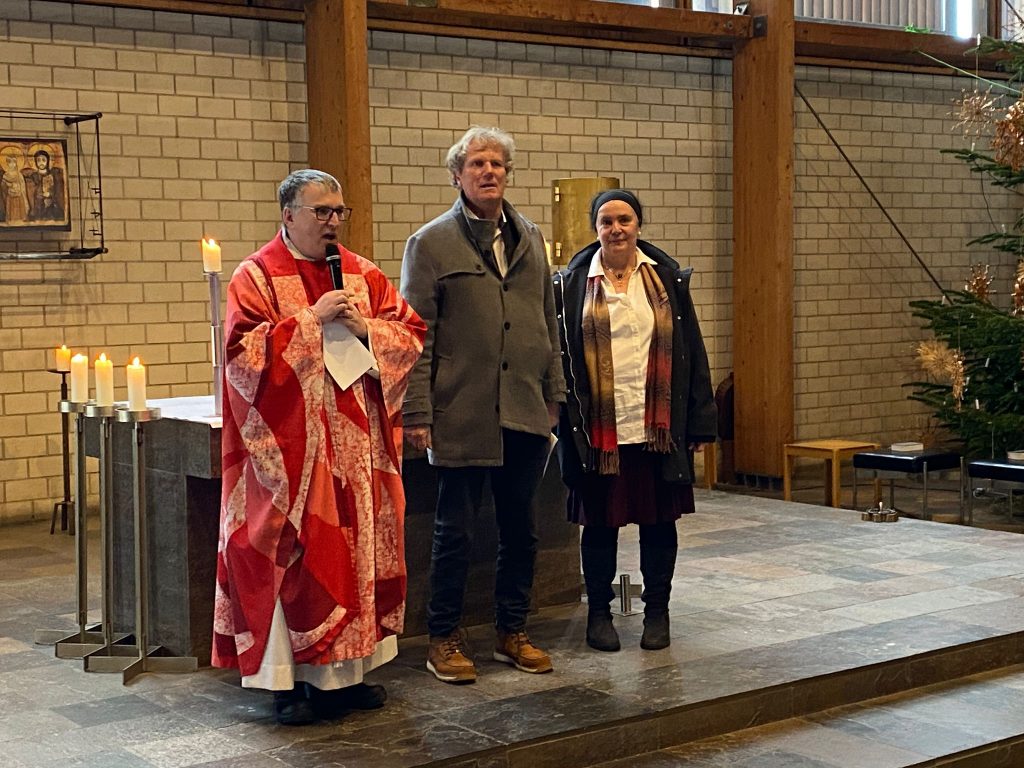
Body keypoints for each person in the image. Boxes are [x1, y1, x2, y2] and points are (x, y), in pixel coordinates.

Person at [212, 169, 426, 725]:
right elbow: (240, 356)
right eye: (320, 212)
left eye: (338, 212)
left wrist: (366, 330)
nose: (333, 222)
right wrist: (311, 321)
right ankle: (288, 684)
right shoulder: (256, 275)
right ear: (288, 215)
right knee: (290, 555)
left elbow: (409, 332)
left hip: (358, 452)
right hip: (287, 455)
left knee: (354, 555)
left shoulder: (362, 273)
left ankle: (345, 677)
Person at [400, 126, 566, 684]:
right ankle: (443, 637)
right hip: (462, 410)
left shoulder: (530, 238)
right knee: (455, 532)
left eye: (497, 163)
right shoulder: (430, 243)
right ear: (457, 176)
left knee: (522, 530)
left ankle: (511, 630)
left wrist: (554, 394)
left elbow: (547, 324)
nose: (488, 171)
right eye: (477, 163)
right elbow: (415, 336)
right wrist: (417, 412)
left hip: (523, 407)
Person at [553, 189, 716, 653]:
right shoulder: (571, 283)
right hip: (598, 431)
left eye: (624, 219)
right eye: (606, 221)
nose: (616, 229)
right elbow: (558, 355)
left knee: (659, 524)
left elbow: (691, 351)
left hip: (656, 429)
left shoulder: (665, 279)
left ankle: (657, 613)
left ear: (638, 224)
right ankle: (599, 616)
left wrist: (699, 422)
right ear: (596, 229)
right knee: (599, 526)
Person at [25, 150, 65, 222]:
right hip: (38, 206)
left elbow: (57, 190)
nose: (41, 163)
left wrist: (50, 194)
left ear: (47, 161)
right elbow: (31, 191)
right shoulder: (33, 176)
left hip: (51, 206)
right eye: (38, 160)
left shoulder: (53, 175)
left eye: (43, 160)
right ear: (35, 162)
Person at [1, 154, 28, 223]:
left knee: (20, 215)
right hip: (10, 197)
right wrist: (8, 185)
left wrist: (25, 199)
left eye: (14, 162)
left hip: (19, 197)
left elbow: (23, 186)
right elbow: (3, 187)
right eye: (10, 162)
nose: (12, 164)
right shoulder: (5, 175)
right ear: (7, 163)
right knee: (11, 214)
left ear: (16, 163)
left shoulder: (19, 175)